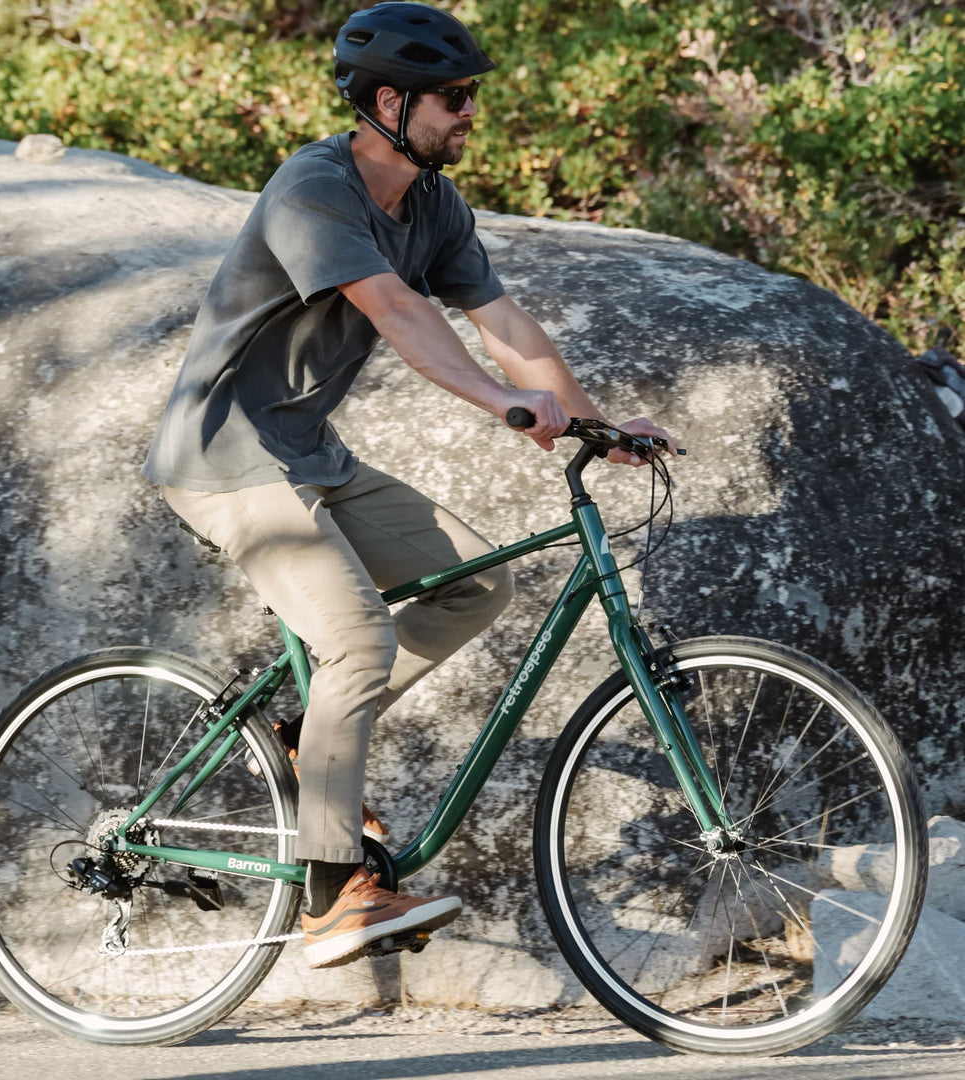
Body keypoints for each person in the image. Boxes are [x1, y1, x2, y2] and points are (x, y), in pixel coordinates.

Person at [142, 0, 675, 970]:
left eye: (471, 97)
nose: (471, 114)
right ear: (390, 102)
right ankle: (329, 894)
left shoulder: (432, 206)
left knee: (477, 580)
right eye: (456, 98)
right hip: (223, 454)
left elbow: (506, 322)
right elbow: (395, 311)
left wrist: (596, 422)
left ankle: (310, 738)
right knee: (355, 639)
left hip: (307, 453)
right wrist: (498, 402)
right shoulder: (315, 189)